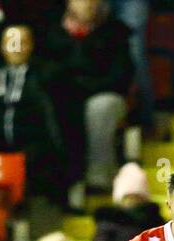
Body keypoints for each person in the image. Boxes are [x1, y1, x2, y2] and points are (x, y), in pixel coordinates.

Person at [0, 25, 66, 203]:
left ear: (31, 46)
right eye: (11, 43)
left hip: (33, 149)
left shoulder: (48, 75)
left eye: (22, 43)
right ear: (2, 47)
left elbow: (54, 120)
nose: (16, 48)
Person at [44, 0, 134, 194]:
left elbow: (122, 75)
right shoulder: (51, 33)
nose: (89, 4)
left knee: (99, 107)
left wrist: (86, 87)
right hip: (65, 95)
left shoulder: (115, 31)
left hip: (104, 93)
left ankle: (98, 176)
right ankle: (60, 180)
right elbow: (45, 72)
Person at [90, 163, 161, 241]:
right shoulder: (108, 223)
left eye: (137, 197)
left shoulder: (156, 224)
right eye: (128, 197)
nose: (133, 202)